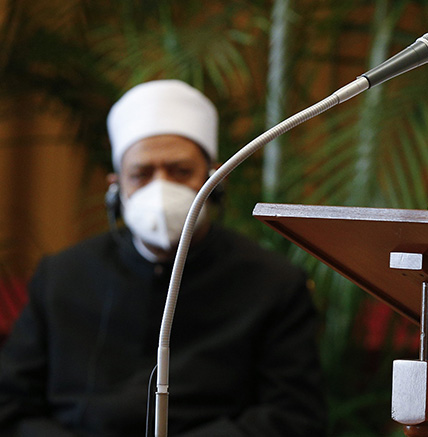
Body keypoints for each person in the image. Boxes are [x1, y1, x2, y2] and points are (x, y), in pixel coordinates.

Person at [0, 80, 327, 436]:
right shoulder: (60, 277)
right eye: (141, 174)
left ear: (214, 179)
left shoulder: (273, 283)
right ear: (115, 187)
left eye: (180, 171)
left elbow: (295, 417)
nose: (161, 188)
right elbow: (11, 407)